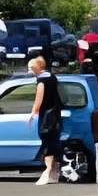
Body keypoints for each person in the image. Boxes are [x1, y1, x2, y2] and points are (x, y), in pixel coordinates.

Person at [27, 51, 65, 184]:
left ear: (37, 68)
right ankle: (54, 172)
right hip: (56, 114)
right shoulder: (52, 77)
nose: (29, 71)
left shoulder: (42, 81)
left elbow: (39, 98)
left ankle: (47, 171)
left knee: (47, 143)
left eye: (30, 69)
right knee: (54, 142)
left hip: (46, 117)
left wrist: (33, 112)